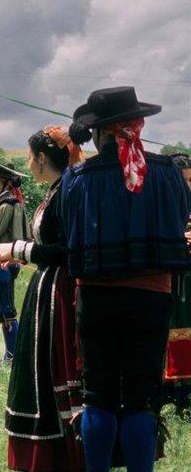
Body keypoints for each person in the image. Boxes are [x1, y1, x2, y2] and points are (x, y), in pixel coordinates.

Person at [61, 87, 191, 472]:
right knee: (139, 398)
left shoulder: (78, 179)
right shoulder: (169, 174)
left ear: (99, 134)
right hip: (152, 300)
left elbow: (69, 227)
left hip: (98, 302)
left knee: (98, 394)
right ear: (138, 125)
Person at [0, 127, 84, 471]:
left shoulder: (66, 192)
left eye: (30, 156)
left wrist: (18, 248)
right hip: (47, 289)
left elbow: (66, 251)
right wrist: (21, 255)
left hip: (59, 293)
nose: (28, 163)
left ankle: (58, 453)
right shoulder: (56, 190)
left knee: (51, 369)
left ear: (43, 158)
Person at [0, 163, 31, 362]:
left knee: (6, 309)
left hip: (3, 262)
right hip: (6, 260)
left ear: (6, 184)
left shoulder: (6, 205)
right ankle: (10, 354)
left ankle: (14, 355)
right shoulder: (9, 202)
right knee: (3, 309)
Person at [159, 152, 191, 416]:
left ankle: (185, 395)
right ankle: (168, 392)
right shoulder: (158, 205)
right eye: (184, 180)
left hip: (188, 281)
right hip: (167, 279)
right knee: (168, 334)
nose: (188, 186)